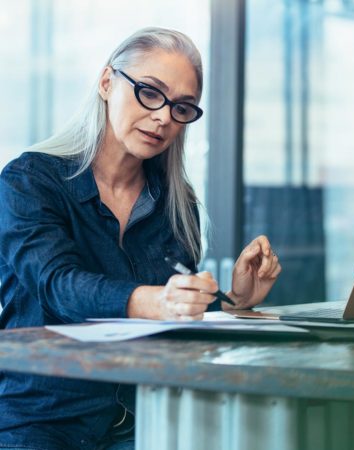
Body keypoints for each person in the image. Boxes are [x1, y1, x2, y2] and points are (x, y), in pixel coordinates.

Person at [0, 27, 281, 449]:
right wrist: (159, 302)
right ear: (107, 81)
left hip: (142, 422)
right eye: (150, 92)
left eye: (182, 107)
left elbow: (171, 307)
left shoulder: (174, 201)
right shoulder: (29, 182)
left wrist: (233, 301)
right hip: (41, 423)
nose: (165, 117)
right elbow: (58, 285)